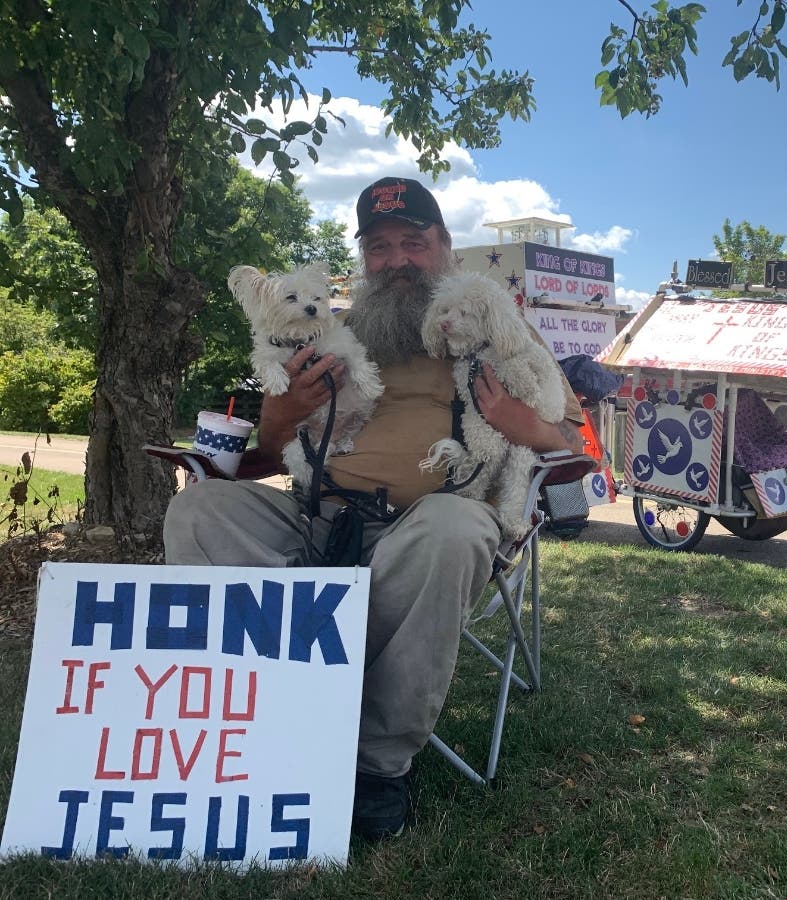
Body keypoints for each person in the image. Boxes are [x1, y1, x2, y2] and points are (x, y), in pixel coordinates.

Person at [164, 176, 584, 840]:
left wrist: (513, 418)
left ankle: (374, 765)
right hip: (321, 518)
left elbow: (571, 444)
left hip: (433, 526)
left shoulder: (498, 329)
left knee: (449, 530)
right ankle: (263, 717)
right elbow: (274, 449)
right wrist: (283, 413)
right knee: (200, 513)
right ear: (364, 259)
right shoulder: (327, 327)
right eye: (379, 247)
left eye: (412, 243)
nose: (395, 260)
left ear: (445, 247)